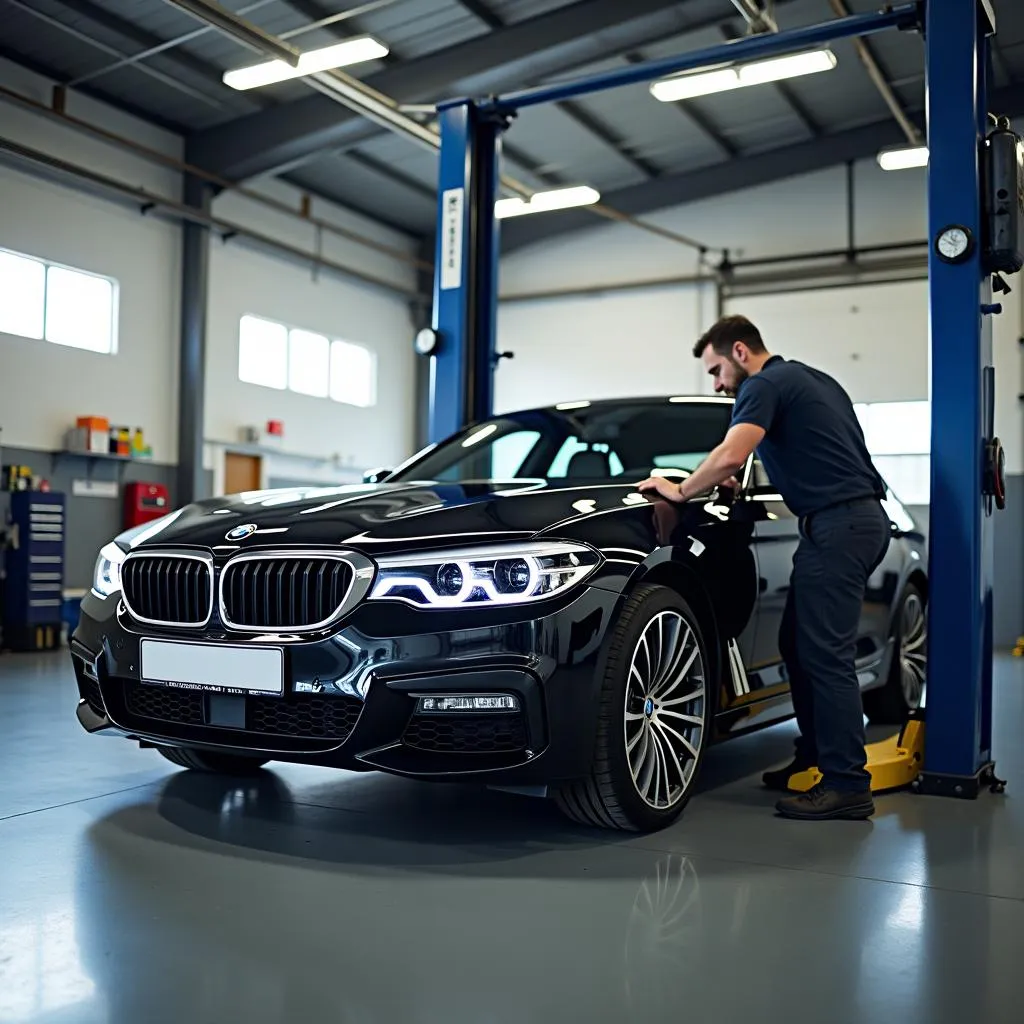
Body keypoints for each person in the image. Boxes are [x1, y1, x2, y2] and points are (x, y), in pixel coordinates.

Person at [638, 315, 891, 821]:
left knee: (825, 655)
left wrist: (682, 489)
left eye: (715, 371)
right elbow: (812, 450)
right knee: (798, 646)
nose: (716, 383)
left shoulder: (763, 384)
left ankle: (847, 785)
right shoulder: (810, 379)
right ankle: (817, 758)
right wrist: (730, 486)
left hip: (839, 525)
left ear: (738, 351)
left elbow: (732, 453)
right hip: (850, 521)